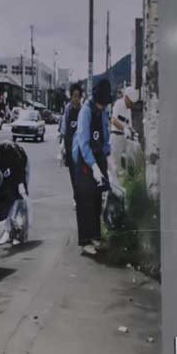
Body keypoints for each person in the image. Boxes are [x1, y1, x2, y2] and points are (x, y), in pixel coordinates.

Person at [71, 79, 113, 255]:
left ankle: (95, 235)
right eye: (100, 103)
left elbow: (105, 134)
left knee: (97, 197)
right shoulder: (86, 112)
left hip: (98, 156)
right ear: (95, 99)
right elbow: (83, 143)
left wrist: (107, 158)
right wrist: (94, 167)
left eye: (104, 104)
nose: (102, 107)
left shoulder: (102, 111)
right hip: (83, 159)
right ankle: (85, 241)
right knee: (85, 198)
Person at [0, 140, 30, 245]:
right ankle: (9, 231)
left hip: (22, 166)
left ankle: (20, 234)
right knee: (6, 202)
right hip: (9, 173)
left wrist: (21, 185)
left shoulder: (11, 153)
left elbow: (19, 170)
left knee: (19, 202)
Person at [58, 83, 84, 167]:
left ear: (80, 98)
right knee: (71, 171)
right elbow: (63, 127)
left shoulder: (83, 111)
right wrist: (63, 142)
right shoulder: (68, 109)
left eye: (78, 96)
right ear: (71, 97)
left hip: (79, 146)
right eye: (74, 96)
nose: (76, 98)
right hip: (69, 144)